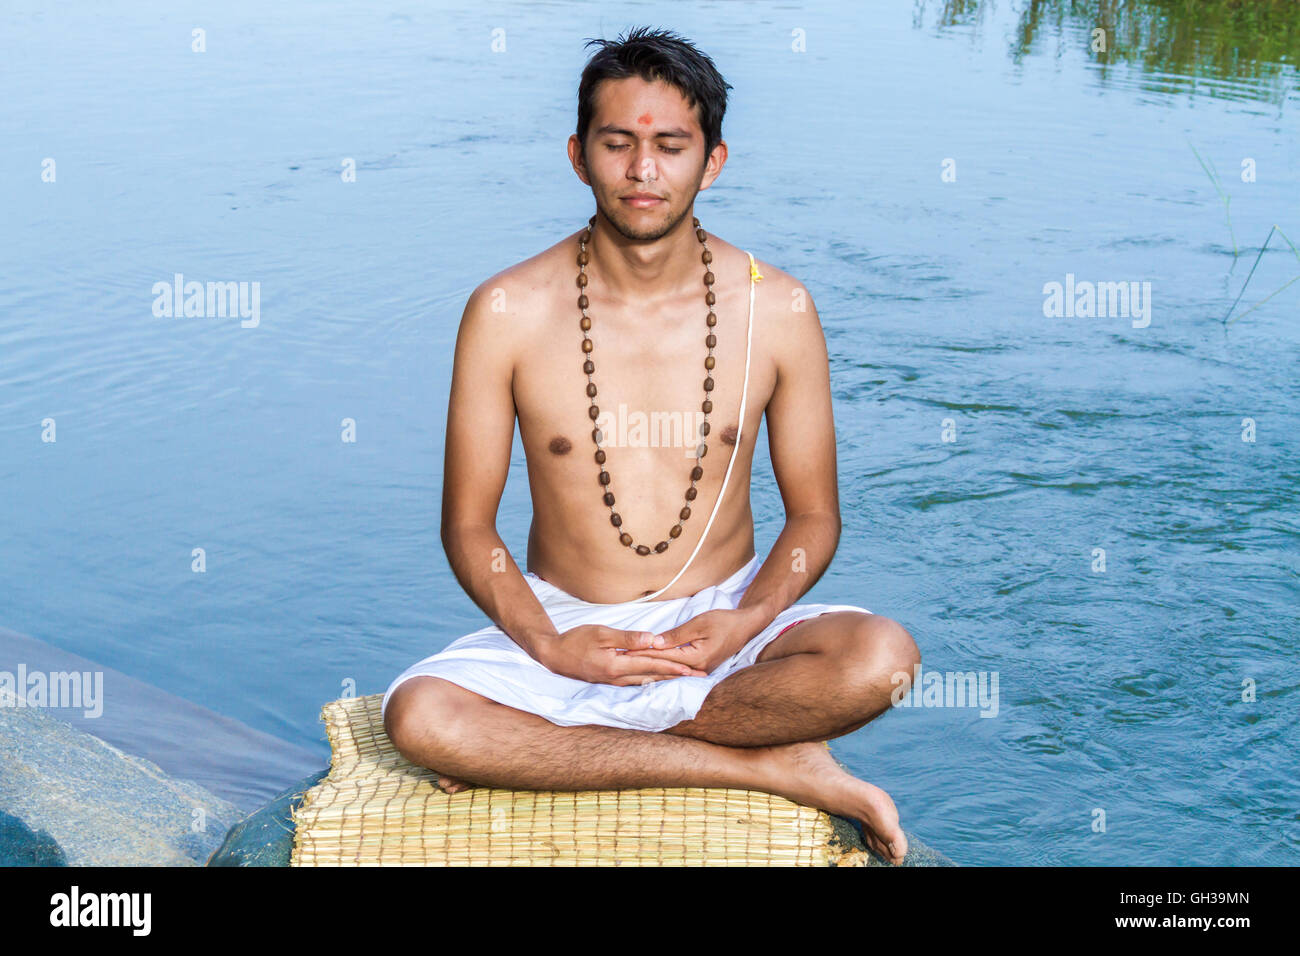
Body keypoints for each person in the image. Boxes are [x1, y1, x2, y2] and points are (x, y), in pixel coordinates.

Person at [382, 25, 920, 865]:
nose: (643, 172)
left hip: (724, 623)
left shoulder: (778, 310)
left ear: (712, 161)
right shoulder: (506, 311)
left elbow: (814, 516)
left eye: (671, 146)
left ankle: (557, 753)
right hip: (568, 627)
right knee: (420, 717)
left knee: (880, 659)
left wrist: (746, 618)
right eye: (618, 144)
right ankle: (773, 767)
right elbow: (468, 529)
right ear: (577, 153)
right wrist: (551, 644)